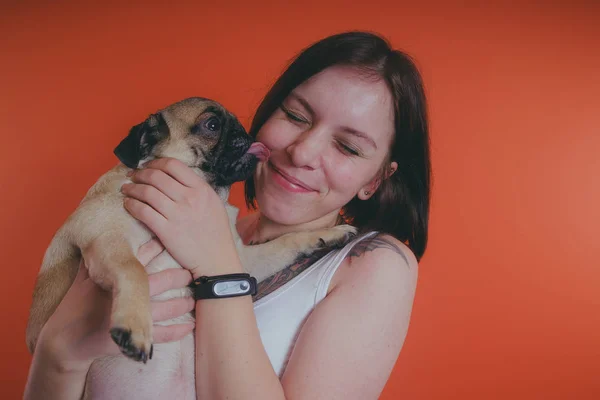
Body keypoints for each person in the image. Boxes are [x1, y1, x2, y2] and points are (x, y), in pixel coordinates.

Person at [24, 30, 430, 399]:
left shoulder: (376, 266)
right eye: (295, 116)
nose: (303, 152)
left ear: (375, 180)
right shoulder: (194, 226)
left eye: (349, 147)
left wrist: (217, 263)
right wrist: (58, 353)